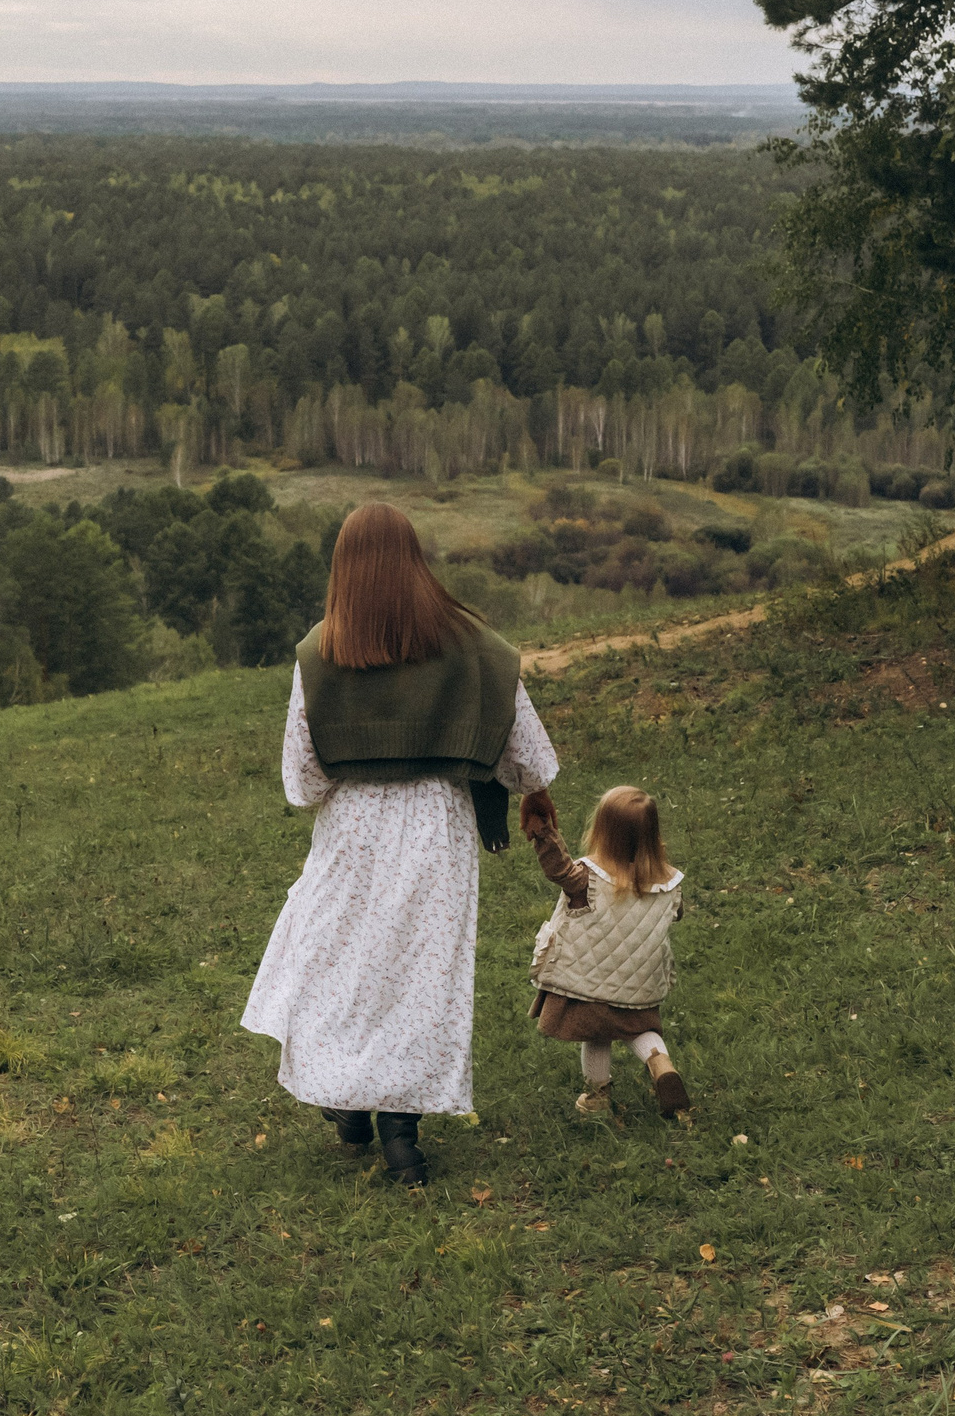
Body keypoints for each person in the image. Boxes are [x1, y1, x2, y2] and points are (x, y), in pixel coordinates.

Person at [241, 502, 560, 1186]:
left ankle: (353, 1105)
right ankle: (398, 1134)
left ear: (345, 570)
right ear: (414, 559)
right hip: (437, 831)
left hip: (351, 831)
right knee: (419, 975)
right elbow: (531, 756)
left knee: (341, 964)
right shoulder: (475, 647)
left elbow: (300, 782)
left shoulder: (319, 654)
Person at [521, 785, 693, 1120]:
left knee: (596, 1035)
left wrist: (544, 833)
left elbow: (558, 870)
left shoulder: (587, 877)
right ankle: (661, 1064)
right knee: (640, 1030)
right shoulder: (669, 883)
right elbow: (677, 912)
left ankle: (597, 1096)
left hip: (590, 980)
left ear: (603, 831)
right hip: (639, 984)